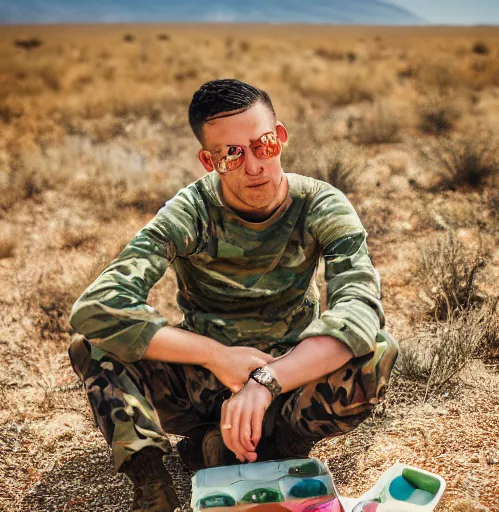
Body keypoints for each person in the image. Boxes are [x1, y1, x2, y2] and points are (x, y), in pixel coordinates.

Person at [68, 78, 399, 512]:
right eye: (231, 154)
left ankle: (281, 444)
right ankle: (152, 484)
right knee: (93, 345)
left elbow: (358, 310)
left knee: (375, 349)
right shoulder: (189, 212)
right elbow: (96, 307)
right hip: (201, 383)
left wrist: (266, 382)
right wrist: (214, 355)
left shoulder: (320, 204)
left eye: (262, 144)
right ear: (209, 161)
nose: (254, 166)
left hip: (291, 378)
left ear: (279, 137)